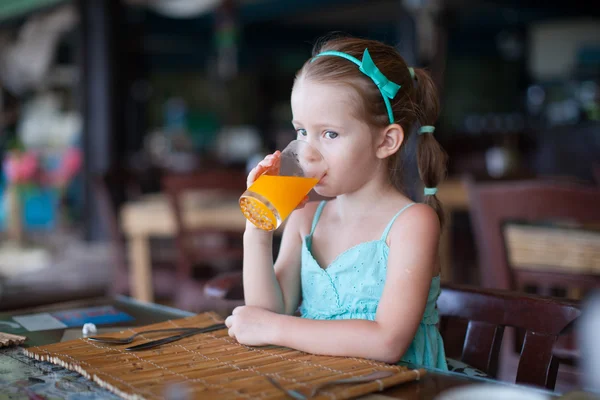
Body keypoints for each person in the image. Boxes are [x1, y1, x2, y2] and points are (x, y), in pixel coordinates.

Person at [225, 35, 448, 369]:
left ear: (386, 141)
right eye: (301, 132)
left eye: (329, 134)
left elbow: (387, 342)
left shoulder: (412, 224)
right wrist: (258, 228)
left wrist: (276, 328)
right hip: (323, 382)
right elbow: (268, 312)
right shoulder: (307, 216)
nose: (308, 152)